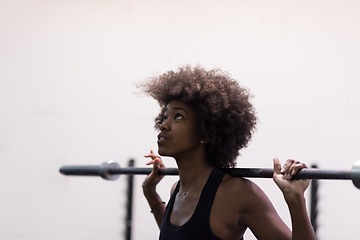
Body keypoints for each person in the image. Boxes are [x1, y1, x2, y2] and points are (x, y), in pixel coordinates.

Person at [139, 66, 316, 240]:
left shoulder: (238, 193)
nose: (163, 125)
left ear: (204, 132)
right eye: (164, 117)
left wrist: (295, 200)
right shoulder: (177, 190)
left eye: (178, 116)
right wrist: (150, 192)